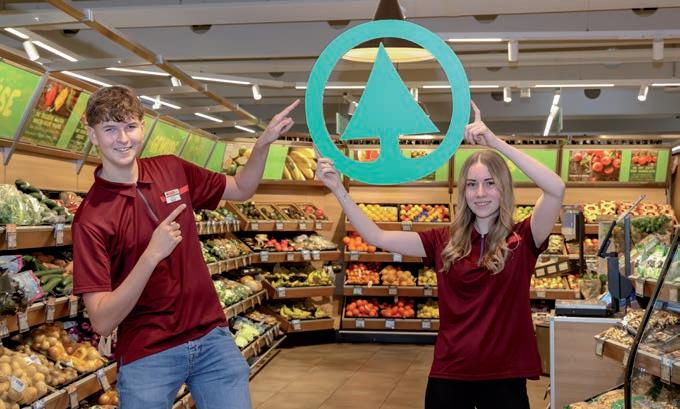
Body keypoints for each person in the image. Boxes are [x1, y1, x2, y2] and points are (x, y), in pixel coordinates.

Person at [315, 101, 565, 409]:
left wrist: (495, 143)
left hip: (505, 375)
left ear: (503, 188)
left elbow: (556, 188)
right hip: (451, 373)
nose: (480, 193)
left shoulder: (523, 238)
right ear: (463, 192)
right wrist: (338, 189)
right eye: (472, 185)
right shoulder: (442, 241)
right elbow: (376, 236)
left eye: (490, 183)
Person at [72, 85, 299, 409]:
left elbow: (241, 188)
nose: (122, 139)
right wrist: (152, 255)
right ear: (93, 135)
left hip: (211, 339)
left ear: (142, 128)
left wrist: (261, 145)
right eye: (110, 129)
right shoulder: (91, 218)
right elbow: (102, 321)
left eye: (130, 126)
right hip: (149, 353)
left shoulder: (171, 169)